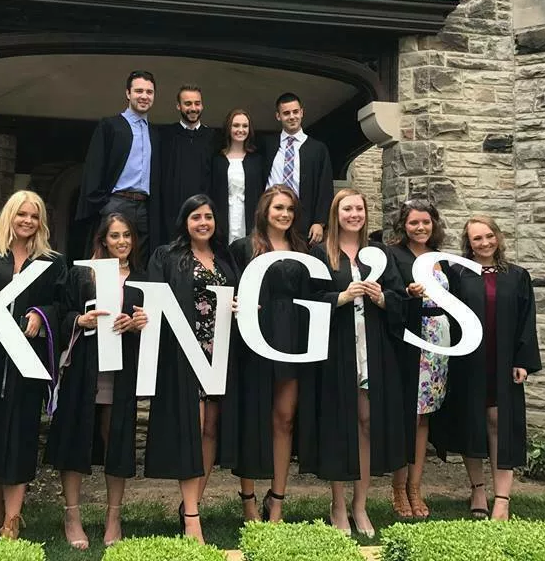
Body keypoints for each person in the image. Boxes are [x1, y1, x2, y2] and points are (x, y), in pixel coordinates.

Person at [0, 191, 64, 541]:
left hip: (25, 363)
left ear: (41, 222)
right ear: (10, 216)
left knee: (20, 437)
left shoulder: (51, 263)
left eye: (34, 216)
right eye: (21, 214)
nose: (27, 221)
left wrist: (41, 314)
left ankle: (13, 519)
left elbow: (61, 307)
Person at [45, 213, 148, 549]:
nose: (121, 242)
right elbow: (62, 313)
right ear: (103, 239)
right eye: (114, 236)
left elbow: (155, 322)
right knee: (75, 436)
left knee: (116, 440)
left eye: (127, 236)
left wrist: (140, 321)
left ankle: (113, 517)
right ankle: (72, 515)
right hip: (85, 368)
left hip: (122, 370)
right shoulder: (82, 273)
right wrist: (80, 319)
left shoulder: (141, 279)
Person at [308, 189, 407, 538]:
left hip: (372, 347)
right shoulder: (321, 254)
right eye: (347, 208)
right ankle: (337, 504)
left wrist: (381, 298)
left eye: (359, 208)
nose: (354, 214)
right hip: (337, 348)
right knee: (340, 423)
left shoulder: (378, 253)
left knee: (366, 422)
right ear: (336, 213)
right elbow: (307, 298)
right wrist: (341, 296)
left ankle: (360, 505)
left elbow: (399, 297)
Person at [432, 214, 541, 522]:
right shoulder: (458, 275)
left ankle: (502, 498)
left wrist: (523, 360)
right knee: (473, 423)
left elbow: (526, 321)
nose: (484, 243)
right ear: (468, 243)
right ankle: (478, 488)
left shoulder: (517, 275)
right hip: (469, 361)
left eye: (488, 236)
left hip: (504, 360)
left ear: (498, 237)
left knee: (499, 423)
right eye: (476, 238)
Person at [144, 194, 239, 544]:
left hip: (219, 352)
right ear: (185, 221)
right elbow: (153, 300)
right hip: (185, 352)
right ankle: (192, 516)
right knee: (192, 429)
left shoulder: (224, 258)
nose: (203, 222)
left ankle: (192, 504)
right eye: (196, 216)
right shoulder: (167, 257)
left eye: (209, 217)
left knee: (211, 429)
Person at [224, 185, 311, 523]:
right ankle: (247, 500)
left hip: (291, 338)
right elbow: (228, 285)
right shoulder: (243, 248)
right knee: (253, 417)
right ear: (265, 211)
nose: (284, 214)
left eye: (289, 209)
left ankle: (277, 499)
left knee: (285, 418)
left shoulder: (303, 248)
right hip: (253, 337)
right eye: (278, 208)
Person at [385, 198, 451, 520]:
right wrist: (408, 294)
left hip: (439, 340)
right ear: (404, 226)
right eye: (414, 223)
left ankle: (415, 485)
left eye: (426, 222)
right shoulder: (394, 255)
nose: (420, 227)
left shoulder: (441, 259)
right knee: (406, 414)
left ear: (434, 224)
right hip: (410, 337)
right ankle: (398, 487)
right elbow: (391, 295)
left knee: (424, 416)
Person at [77, 70, 162, 264]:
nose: (144, 96)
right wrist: (103, 204)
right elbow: (94, 167)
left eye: (149, 92)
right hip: (116, 202)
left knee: (139, 260)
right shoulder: (111, 126)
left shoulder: (155, 133)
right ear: (128, 93)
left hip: (143, 207)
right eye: (139, 91)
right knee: (106, 260)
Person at [261, 92, 333, 246]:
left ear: (302, 112)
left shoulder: (317, 149)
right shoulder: (267, 146)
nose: (292, 117)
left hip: (303, 224)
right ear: (278, 116)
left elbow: (325, 187)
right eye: (286, 113)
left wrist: (319, 222)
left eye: (295, 112)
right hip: (270, 220)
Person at [159, 85, 218, 244]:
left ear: (202, 105)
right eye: (188, 103)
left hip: (203, 214)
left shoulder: (213, 138)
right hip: (172, 213)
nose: (193, 108)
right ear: (178, 106)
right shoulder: (166, 136)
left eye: (197, 103)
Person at [208, 109, 265, 244]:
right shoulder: (217, 159)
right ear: (229, 128)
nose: (241, 130)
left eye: (245, 126)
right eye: (236, 125)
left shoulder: (256, 160)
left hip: (249, 216)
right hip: (224, 215)